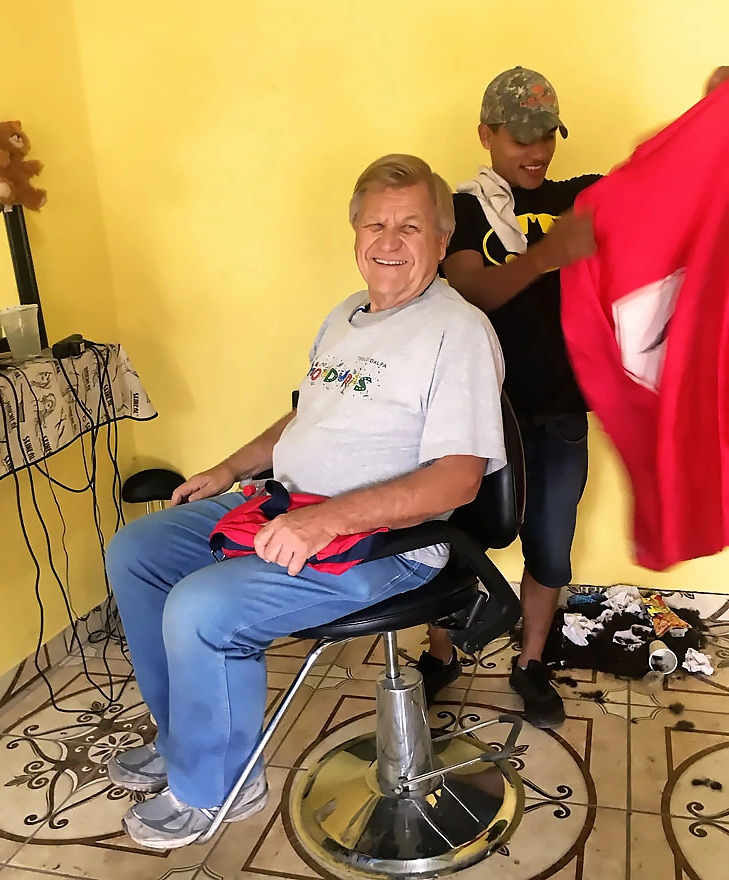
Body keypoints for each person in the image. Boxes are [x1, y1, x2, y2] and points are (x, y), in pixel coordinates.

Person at [105, 154, 507, 850]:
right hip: (290, 504)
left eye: (411, 225)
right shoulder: (346, 315)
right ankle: (185, 742)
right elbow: (308, 417)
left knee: (202, 608)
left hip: (391, 542)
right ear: (354, 232)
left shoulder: (457, 331)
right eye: (375, 223)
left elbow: (458, 481)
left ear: (442, 242)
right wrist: (228, 469)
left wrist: (328, 518)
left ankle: (220, 783)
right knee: (136, 551)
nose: (389, 240)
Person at [418, 65, 729, 726]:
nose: (533, 151)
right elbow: (470, 290)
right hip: (475, 419)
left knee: (551, 548)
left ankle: (531, 662)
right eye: (517, 137)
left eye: (544, 136)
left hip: (560, 416)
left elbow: (672, 192)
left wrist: (715, 116)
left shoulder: (586, 197)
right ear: (486, 133)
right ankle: (441, 653)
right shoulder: (463, 207)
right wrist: (544, 257)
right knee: (452, 542)